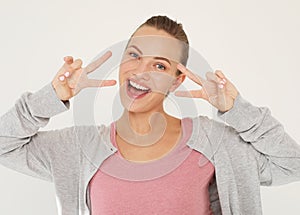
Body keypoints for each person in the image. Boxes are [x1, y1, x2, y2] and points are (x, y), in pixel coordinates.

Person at [1, 15, 300, 215]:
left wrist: (237, 110)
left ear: (176, 79)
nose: (141, 71)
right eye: (134, 55)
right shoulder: (80, 147)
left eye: (159, 66)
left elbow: (292, 165)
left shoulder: (211, 141)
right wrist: (51, 98)